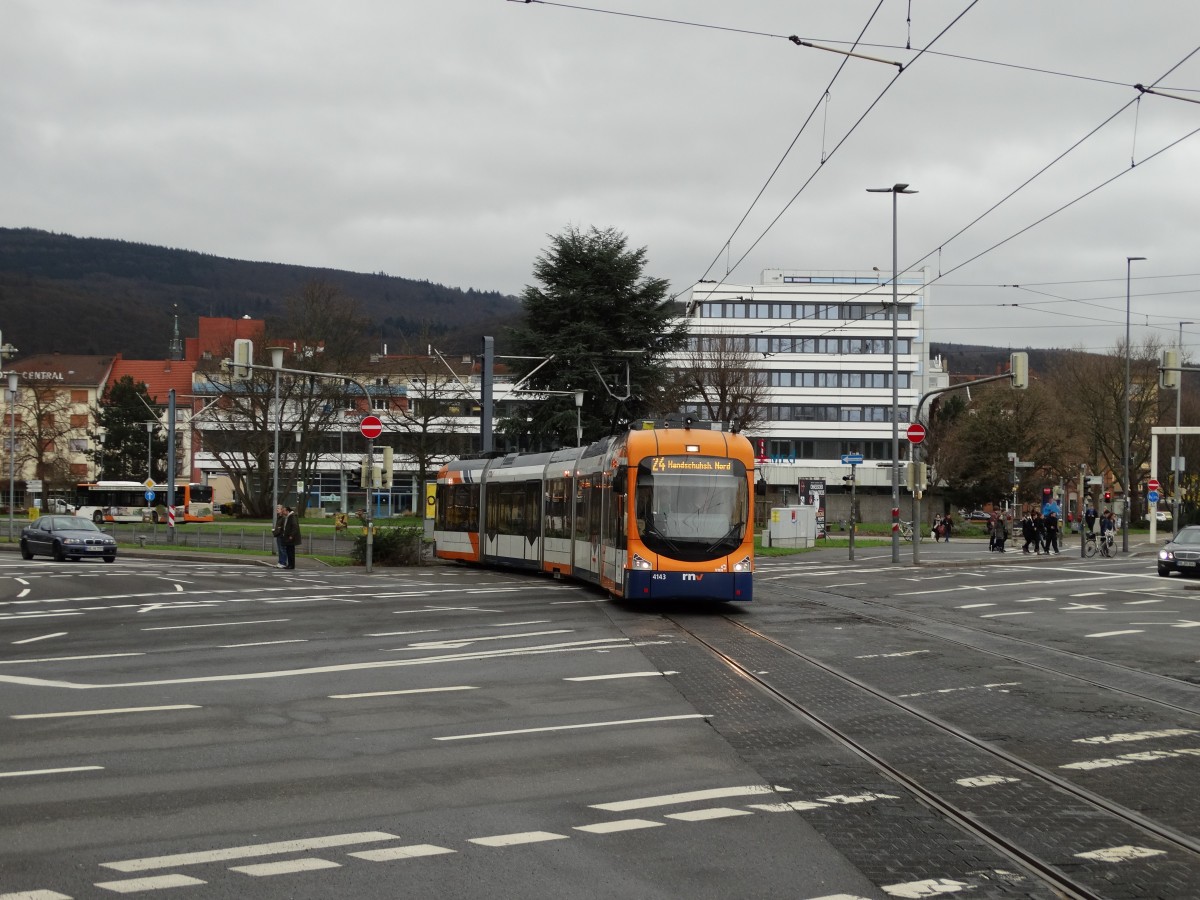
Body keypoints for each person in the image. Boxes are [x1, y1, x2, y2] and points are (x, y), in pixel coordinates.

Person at [282, 505, 300, 569]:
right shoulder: (289, 516)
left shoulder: (292, 517)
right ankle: (290, 564)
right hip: (288, 537)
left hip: (291, 538)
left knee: (290, 552)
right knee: (289, 551)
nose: (283, 512)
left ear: (287, 511)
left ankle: (291, 565)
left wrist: (291, 535)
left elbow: (295, 527)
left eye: (284, 511)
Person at [271, 504, 287, 568]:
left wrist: (279, 530)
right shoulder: (279, 517)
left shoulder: (283, 517)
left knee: (282, 549)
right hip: (278, 535)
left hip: (282, 535)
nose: (277, 509)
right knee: (280, 550)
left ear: (282, 509)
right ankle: (280, 562)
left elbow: (284, 527)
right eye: (276, 508)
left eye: (278, 508)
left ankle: (283, 563)